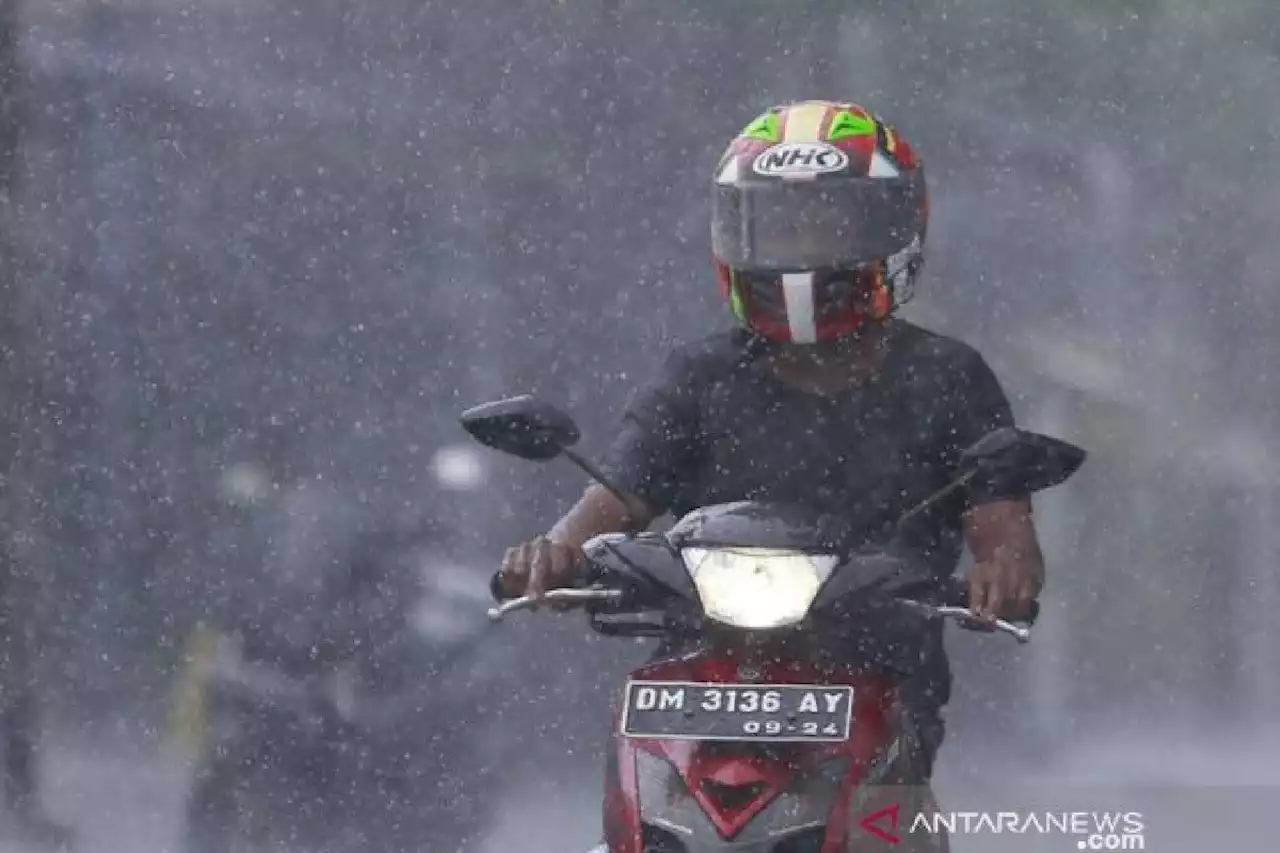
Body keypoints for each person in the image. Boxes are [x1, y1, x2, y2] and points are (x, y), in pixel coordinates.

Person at [495, 99, 1046, 782]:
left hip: (877, 673)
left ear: (895, 232)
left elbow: (1004, 529)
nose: (803, 251)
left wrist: (1006, 571)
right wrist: (554, 552)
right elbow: (613, 498)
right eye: (780, 227)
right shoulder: (699, 375)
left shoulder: (949, 377)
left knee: (882, 821)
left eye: (828, 226)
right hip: (692, 690)